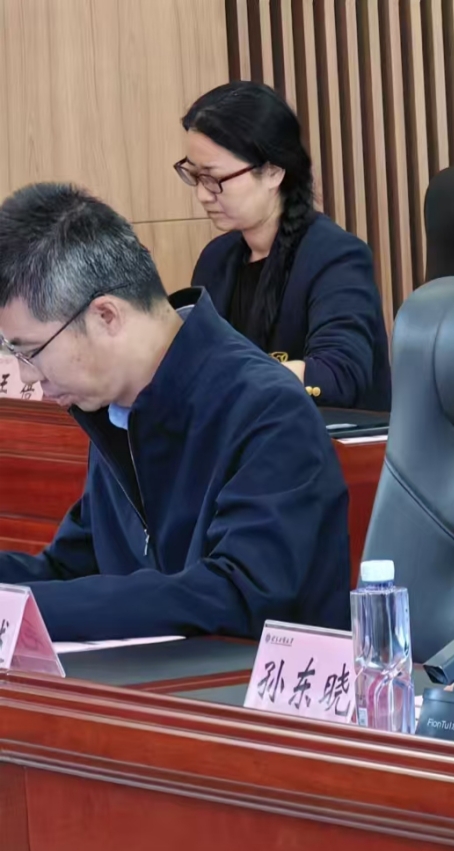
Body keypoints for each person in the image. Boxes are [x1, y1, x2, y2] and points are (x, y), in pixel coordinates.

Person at [0, 183, 351, 641]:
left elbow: (236, 597)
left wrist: (33, 609)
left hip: (245, 682)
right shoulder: (116, 409)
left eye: (30, 351)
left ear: (106, 316)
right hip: (156, 678)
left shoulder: (268, 411)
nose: (27, 376)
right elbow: (71, 570)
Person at [179, 81, 390, 410]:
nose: (203, 194)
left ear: (273, 172)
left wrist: (230, 379)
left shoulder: (336, 256)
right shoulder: (216, 259)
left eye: (213, 178)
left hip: (327, 437)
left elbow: (338, 376)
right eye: (194, 175)